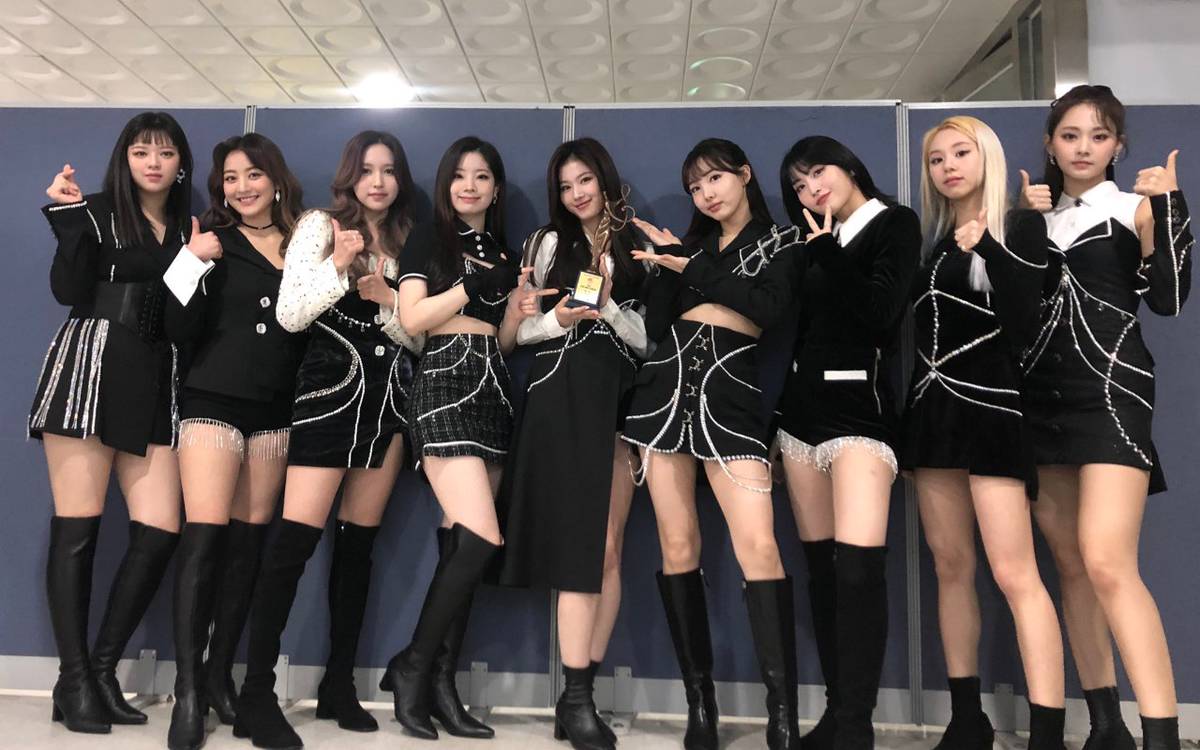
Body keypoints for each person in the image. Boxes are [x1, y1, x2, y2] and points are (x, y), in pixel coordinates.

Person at [233, 130, 422, 749]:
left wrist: (390, 303)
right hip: (328, 400)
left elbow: (420, 337)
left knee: (358, 550)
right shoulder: (319, 225)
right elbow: (290, 314)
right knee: (293, 546)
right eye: (367, 170)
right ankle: (255, 694)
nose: (378, 181)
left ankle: (339, 684)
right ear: (349, 176)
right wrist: (340, 265)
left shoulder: (411, 240)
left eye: (388, 170)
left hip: (387, 406)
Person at [1020, 84, 1191, 750]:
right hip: (1039, 398)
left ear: (1118, 144)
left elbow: (1170, 299)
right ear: (1050, 143)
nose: (1083, 148)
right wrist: (1018, 227)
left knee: (1107, 562)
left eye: (1098, 135)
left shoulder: (1135, 207)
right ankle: (1104, 726)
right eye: (1070, 135)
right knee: (1069, 564)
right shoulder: (1031, 216)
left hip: (1113, 392)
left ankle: (1161, 737)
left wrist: (1170, 207)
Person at [622, 137, 803, 750]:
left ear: (744, 175)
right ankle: (701, 707)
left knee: (760, 547)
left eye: (715, 178)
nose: (706, 193)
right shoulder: (688, 247)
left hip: (733, 397)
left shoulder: (784, 241)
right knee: (677, 545)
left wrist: (689, 268)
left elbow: (768, 308)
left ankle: (783, 716)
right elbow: (655, 328)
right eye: (696, 187)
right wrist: (663, 269)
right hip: (664, 392)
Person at [31, 111, 198, 734]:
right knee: (78, 529)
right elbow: (68, 289)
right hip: (91, 366)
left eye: (166, 152)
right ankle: (73, 679)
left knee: (160, 531)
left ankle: (101, 670)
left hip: (156, 375)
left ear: (181, 164)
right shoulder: (97, 211)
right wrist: (68, 217)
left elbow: (184, 315)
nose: (153, 163)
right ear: (124, 159)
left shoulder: (190, 227)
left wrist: (193, 260)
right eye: (141, 151)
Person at [903, 115, 1065, 750]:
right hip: (932, 416)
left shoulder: (1021, 225)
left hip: (993, 412)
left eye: (960, 152)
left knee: (1015, 572)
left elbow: (1027, 320)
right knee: (950, 565)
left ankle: (1047, 731)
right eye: (936, 158)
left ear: (986, 157)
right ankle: (966, 718)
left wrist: (989, 247)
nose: (948, 166)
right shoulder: (934, 243)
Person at [378, 136, 534, 741]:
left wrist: (517, 310)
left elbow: (503, 342)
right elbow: (413, 319)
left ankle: (441, 683)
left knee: (459, 547)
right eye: (459, 175)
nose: (470, 185)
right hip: (443, 383)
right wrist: (476, 285)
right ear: (446, 185)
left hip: (493, 387)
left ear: (496, 188)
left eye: (482, 176)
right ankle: (412, 665)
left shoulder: (504, 250)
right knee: (481, 538)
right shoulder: (429, 237)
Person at [498, 137, 649, 749]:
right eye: (565, 186)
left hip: (622, 403)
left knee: (608, 550)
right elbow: (516, 334)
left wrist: (608, 308)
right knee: (580, 550)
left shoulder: (638, 242)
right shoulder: (546, 243)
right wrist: (555, 320)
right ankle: (580, 699)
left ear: (605, 179)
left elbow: (649, 341)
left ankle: (576, 696)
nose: (576, 193)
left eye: (585, 180)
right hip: (559, 398)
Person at [160, 132, 307, 749]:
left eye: (252, 174)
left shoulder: (304, 245)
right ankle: (188, 693)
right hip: (212, 403)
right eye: (230, 177)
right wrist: (191, 260)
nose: (241, 187)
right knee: (203, 544)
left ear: (276, 179)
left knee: (249, 548)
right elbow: (173, 323)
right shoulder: (211, 241)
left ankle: (220, 676)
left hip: (275, 412)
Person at [775, 136, 921, 750]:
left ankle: (857, 725)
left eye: (818, 172)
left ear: (850, 165)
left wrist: (827, 252)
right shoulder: (812, 240)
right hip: (800, 419)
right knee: (823, 574)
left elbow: (881, 313)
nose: (811, 189)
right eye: (799, 186)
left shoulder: (894, 224)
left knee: (860, 572)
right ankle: (838, 713)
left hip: (861, 413)